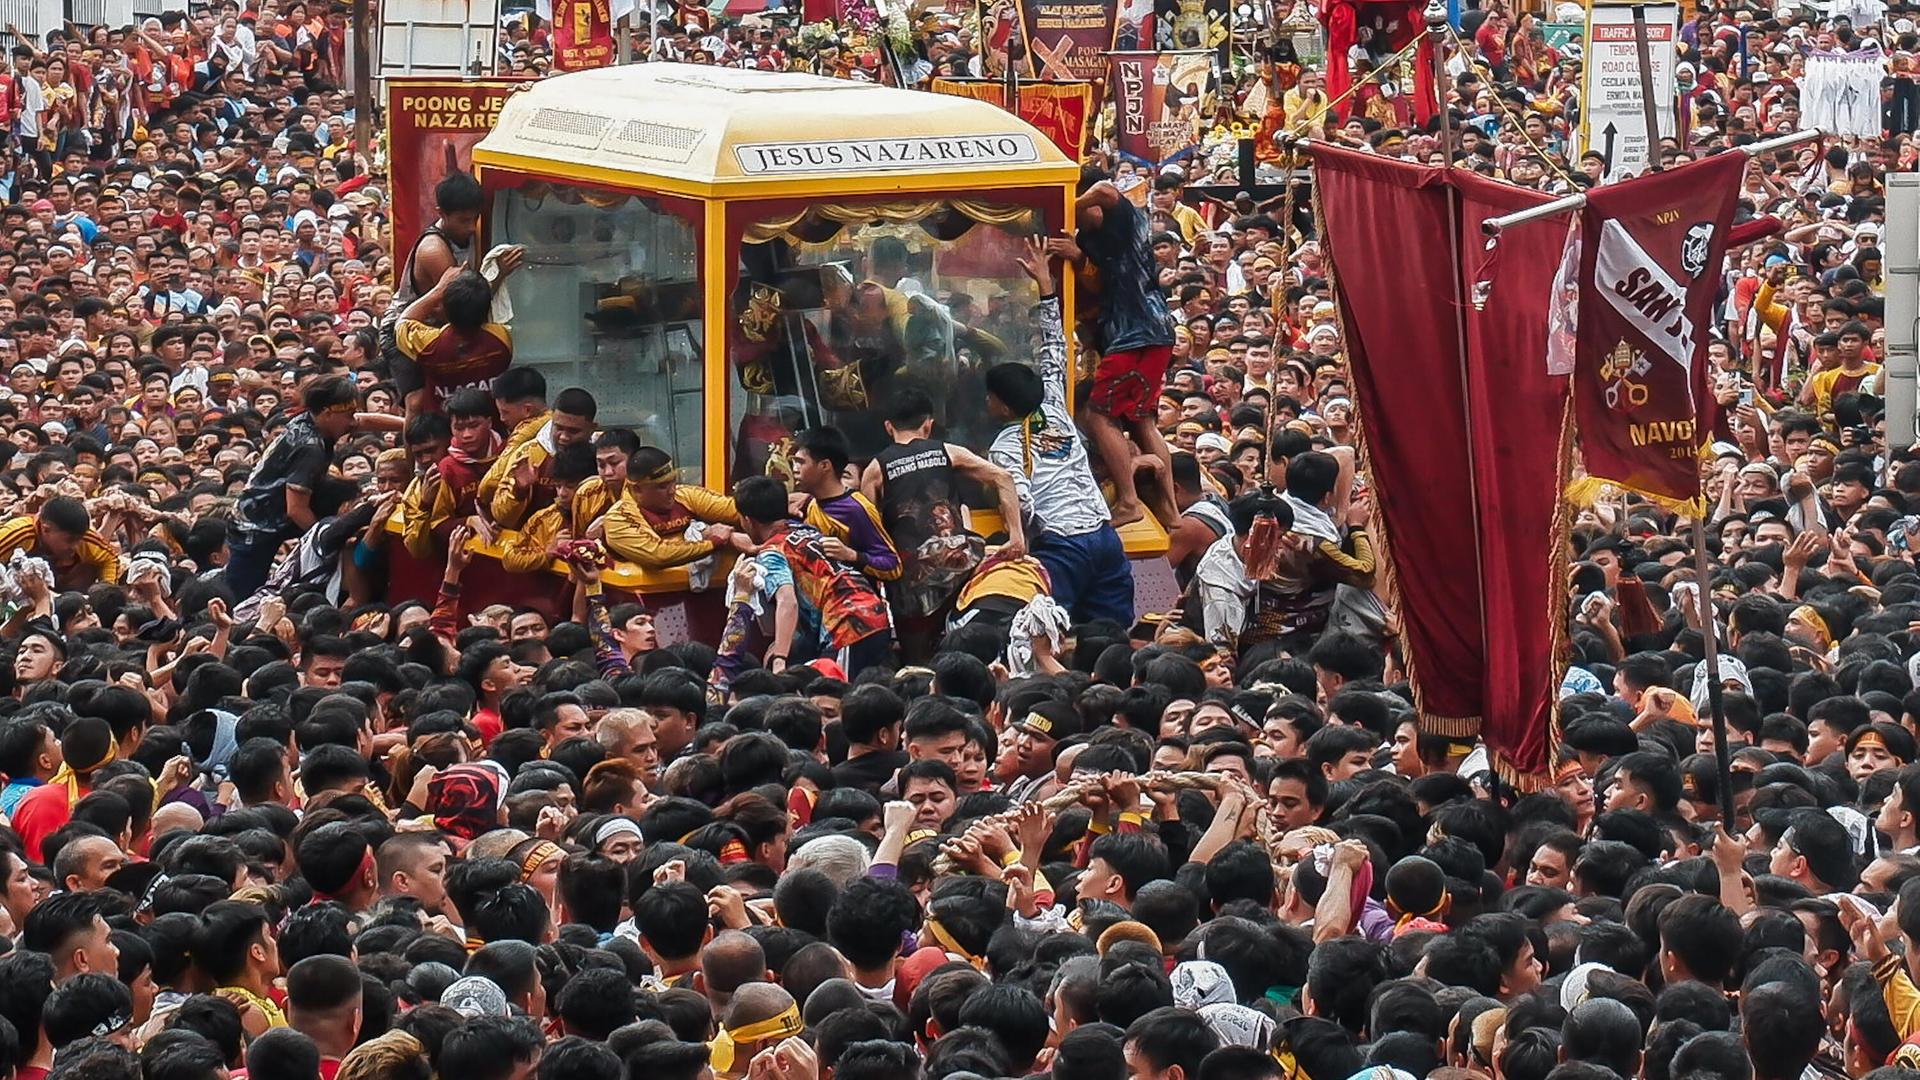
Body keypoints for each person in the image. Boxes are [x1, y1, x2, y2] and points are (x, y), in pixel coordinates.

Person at [987, 238, 1136, 626]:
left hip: (1062, 547)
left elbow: (1020, 499)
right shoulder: (1053, 402)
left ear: (1000, 405)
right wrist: (1046, 286)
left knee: (1052, 629)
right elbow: (1055, 346)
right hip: (1104, 538)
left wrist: (1024, 537)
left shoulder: (1004, 446)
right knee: (1110, 632)